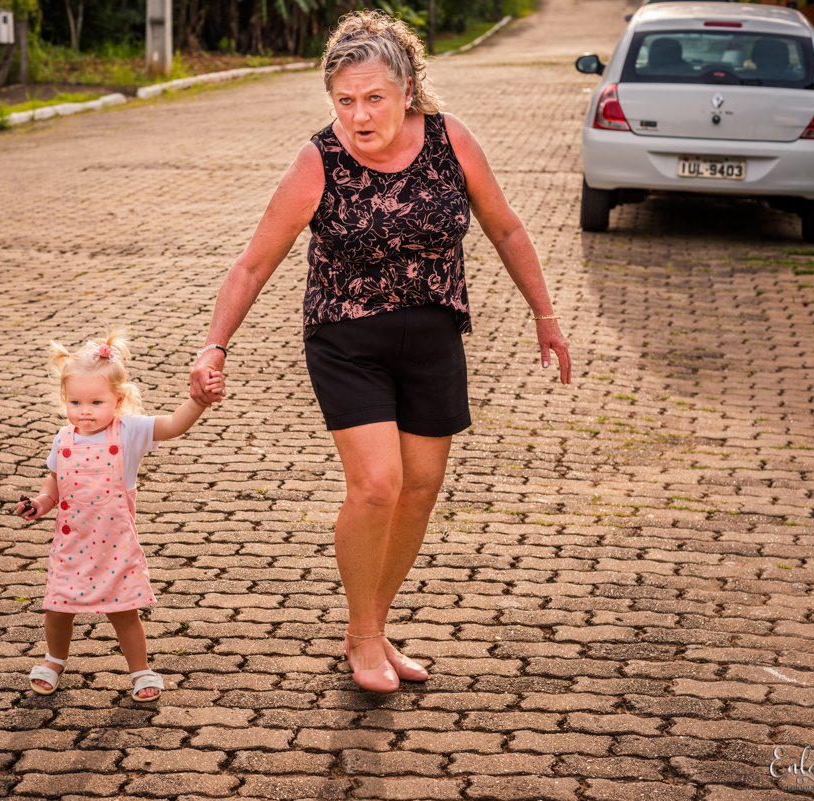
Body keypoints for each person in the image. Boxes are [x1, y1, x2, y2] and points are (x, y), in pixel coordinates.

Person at [188, 11, 571, 693]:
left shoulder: (452, 141)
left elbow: (506, 228)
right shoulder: (319, 161)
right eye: (345, 100)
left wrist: (545, 314)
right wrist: (215, 345)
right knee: (377, 484)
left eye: (374, 98)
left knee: (420, 490)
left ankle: (373, 623)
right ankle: (362, 638)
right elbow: (252, 265)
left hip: (432, 338)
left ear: (407, 90)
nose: (360, 116)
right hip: (346, 338)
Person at [16, 329, 224, 700]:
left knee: (124, 612)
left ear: (119, 399)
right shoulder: (63, 439)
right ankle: (53, 660)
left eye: (96, 402)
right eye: (76, 402)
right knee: (58, 608)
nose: (85, 411)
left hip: (115, 546)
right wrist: (40, 504)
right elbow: (53, 483)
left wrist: (199, 401)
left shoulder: (128, 431)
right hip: (72, 545)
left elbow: (175, 425)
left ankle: (140, 670)